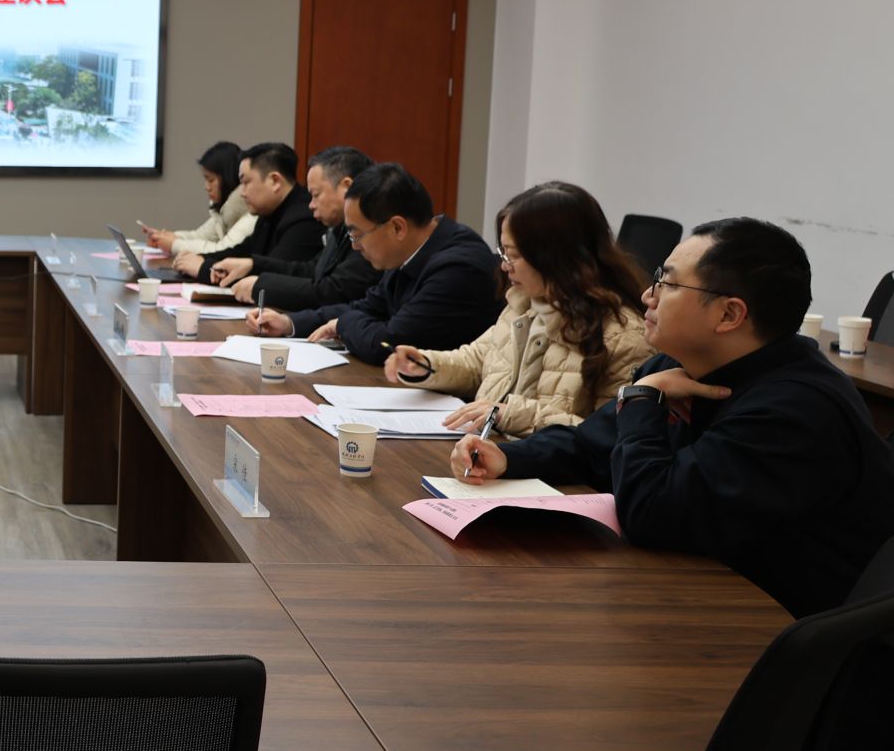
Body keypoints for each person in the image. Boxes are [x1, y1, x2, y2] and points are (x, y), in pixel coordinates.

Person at [450, 218, 894, 619]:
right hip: (698, 592)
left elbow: (653, 515)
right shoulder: (679, 363)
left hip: (782, 633)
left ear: (729, 314)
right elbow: (592, 445)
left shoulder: (793, 410)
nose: (648, 295)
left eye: (667, 283)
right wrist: (511, 458)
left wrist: (641, 401)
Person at [384, 181, 651, 435]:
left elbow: (609, 434)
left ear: (556, 258)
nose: (504, 266)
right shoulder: (525, 304)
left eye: (513, 256)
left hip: (546, 464)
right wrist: (426, 365)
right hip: (491, 448)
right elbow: (478, 363)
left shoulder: (623, 337)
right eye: (503, 254)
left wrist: (509, 414)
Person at [252, 162, 503, 364]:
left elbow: (387, 344)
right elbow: (367, 307)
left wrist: (343, 324)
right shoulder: (410, 251)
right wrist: (291, 323)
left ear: (397, 227)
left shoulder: (458, 269)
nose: (354, 246)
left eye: (357, 234)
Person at [209, 145, 379, 311]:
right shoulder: (339, 229)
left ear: (346, 187)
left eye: (316, 195)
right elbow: (312, 270)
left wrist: (262, 286)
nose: (311, 205)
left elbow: (334, 291)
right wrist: (253, 265)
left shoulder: (371, 231)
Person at [172, 142, 323, 285]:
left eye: (245, 182)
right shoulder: (268, 213)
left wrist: (204, 268)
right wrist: (199, 258)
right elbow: (241, 252)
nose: (242, 193)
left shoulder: (305, 218)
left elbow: (271, 278)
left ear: (275, 181)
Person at [141, 141, 256, 258]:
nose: (206, 187)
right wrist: (166, 237)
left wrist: (174, 245)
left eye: (211, 180)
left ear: (228, 180)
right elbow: (201, 237)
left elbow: (223, 251)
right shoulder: (226, 210)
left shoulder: (251, 216)